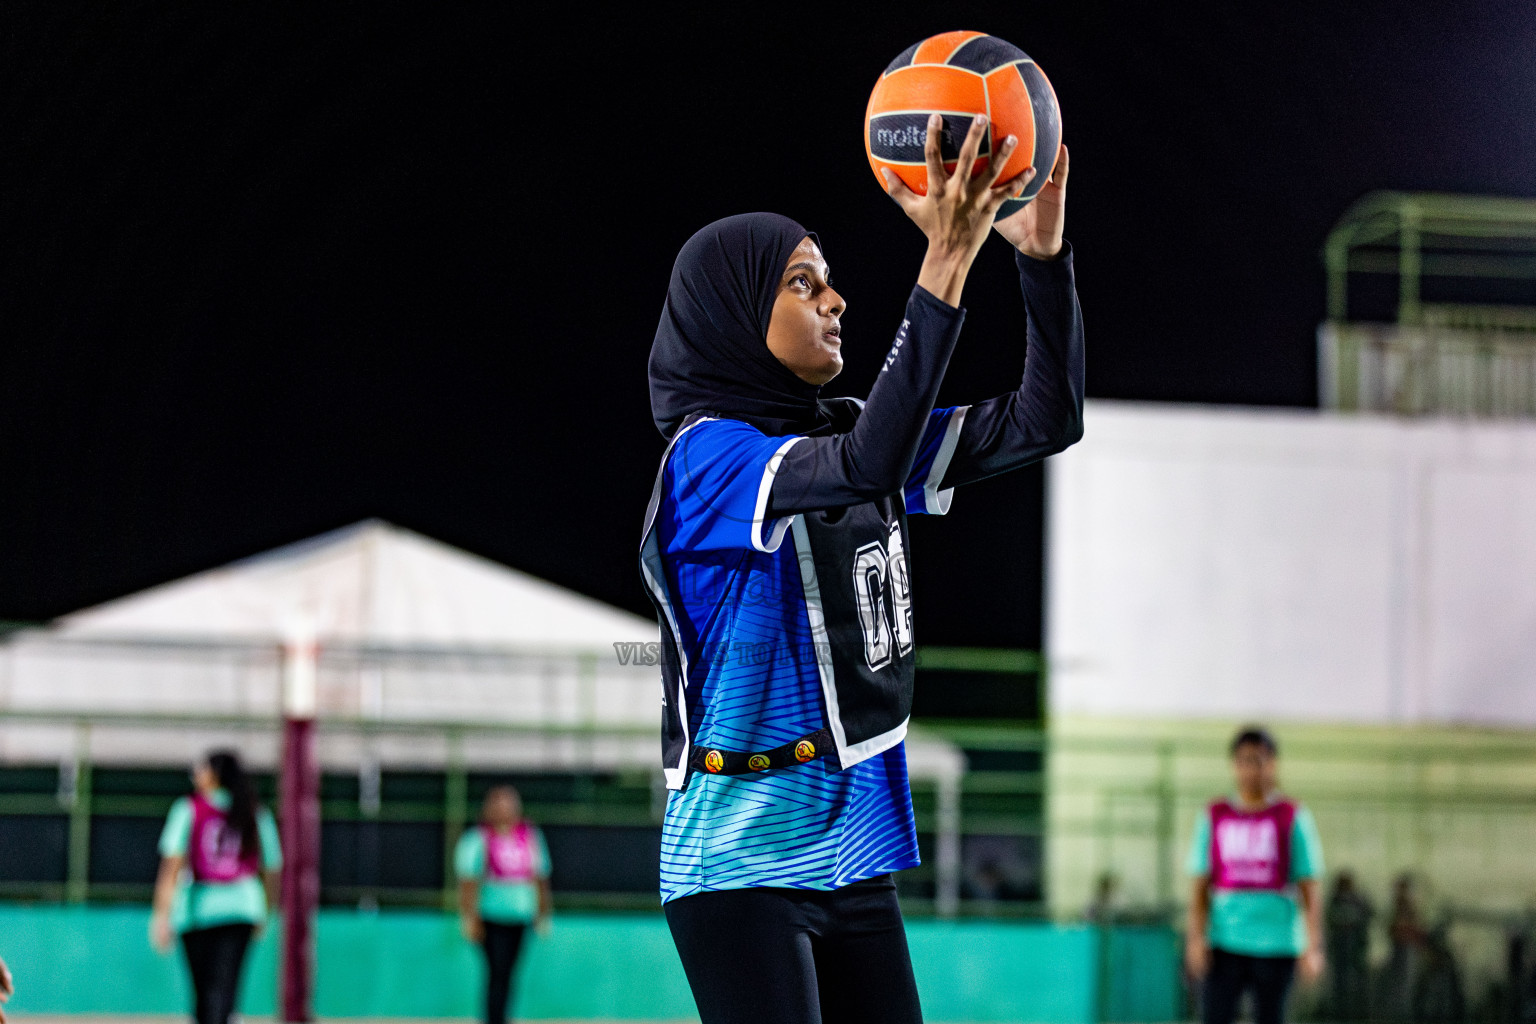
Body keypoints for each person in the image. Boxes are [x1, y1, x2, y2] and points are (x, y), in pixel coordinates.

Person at [641, 112, 1083, 1023]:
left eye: (832, 282)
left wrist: (1039, 261)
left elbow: (1048, 419)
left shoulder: (842, 430)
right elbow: (865, 469)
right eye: (805, 285)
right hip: (734, 857)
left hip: (849, 848)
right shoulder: (706, 461)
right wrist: (945, 266)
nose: (836, 300)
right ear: (734, 312)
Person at [1185, 727, 1326, 1024]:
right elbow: (1200, 884)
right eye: (1244, 761)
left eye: (1259, 760)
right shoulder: (1215, 815)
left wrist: (1312, 947)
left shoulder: (1292, 815)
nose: (1252, 769)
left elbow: (1309, 887)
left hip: (1277, 944)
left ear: (1273, 764)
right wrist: (1196, 939)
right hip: (1224, 941)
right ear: (1234, 765)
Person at [151, 749, 282, 1024]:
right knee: (224, 989)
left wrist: (161, 915)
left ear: (214, 775)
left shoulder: (188, 809)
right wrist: (265, 910)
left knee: (205, 993)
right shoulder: (255, 812)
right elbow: (272, 868)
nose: (195, 774)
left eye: (201, 769)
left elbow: (171, 868)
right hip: (242, 907)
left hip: (198, 909)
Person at [455, 784, 552, 1024]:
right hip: (491, 916)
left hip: (520, 915)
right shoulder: (479, 838)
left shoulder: (529, 836)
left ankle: (502, 1016)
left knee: (509, 973)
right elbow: (468, 881)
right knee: (497, 972)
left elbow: (540, 876)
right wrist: (470, 917)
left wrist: (542, 913)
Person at [1324, 870, 1373, 1020]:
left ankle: (1359, 1011)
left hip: (1355, 948)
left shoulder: (1358, 900)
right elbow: (1331, 919)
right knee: (1340, 982)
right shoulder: (1335, 900)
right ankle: (1340, 1011)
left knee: (1358, 981)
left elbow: (1367, 916)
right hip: (1340, 948)